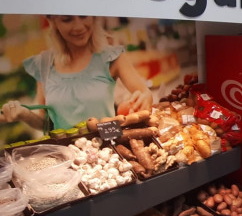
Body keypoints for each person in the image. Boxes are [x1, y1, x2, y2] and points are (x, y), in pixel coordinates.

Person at [0, 15, 152, 130]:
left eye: (84, 16)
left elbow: (145, 93)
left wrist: (143, 98)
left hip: (108, 149)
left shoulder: (111, 57)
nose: (78, 26)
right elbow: (45, 123)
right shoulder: (44, 64)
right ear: (53, 21)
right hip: (64, 154)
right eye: (67, 20)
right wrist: (24, 114)